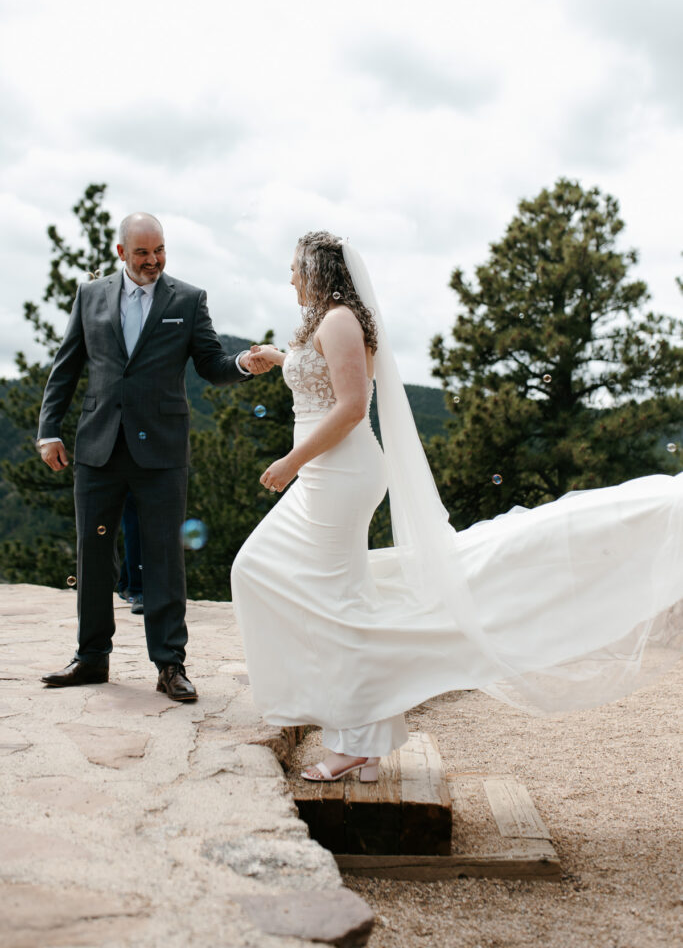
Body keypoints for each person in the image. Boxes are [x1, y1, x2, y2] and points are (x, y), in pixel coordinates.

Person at [232, 231, 683, 781]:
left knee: (316, 592)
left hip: (335, 475)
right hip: (327, 474)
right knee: (311, 586)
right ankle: (365, 740)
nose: (291, 278)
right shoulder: (331, 322)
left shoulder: (340, 320)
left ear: (320, 271)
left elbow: (351, 408)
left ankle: (356, 739)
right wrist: (280, 359)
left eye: (296, 268)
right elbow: (324, 378)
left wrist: (292, 460)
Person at [38, 212, 272, 701]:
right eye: (143, 252)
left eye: (160, 250)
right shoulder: (89, 295)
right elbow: (67, 366)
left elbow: (210, 363)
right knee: (93, 554)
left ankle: (170, 665)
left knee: (164, 558)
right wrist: (47, 431)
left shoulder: (187, 299)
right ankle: (91, 658)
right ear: (121, 253)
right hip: (98, 446)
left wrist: (243, 366)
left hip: (162, 451)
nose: (153, 261)